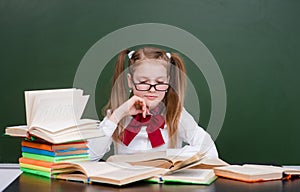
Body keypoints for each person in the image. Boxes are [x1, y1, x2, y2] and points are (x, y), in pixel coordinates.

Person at [88, 47, 218, 161]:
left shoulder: (176, 114)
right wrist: (117, 115)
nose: (152, 89)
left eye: (160, 82)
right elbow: (91, 157)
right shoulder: (117, 115)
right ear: (130, 81)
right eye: (144, 82)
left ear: (168, 82)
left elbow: (209, 151)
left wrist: (169, 155)